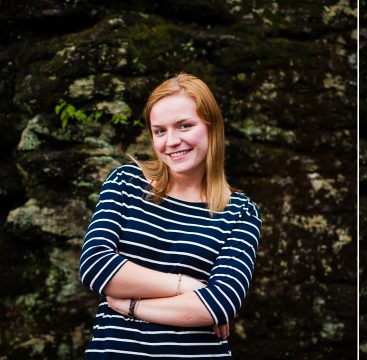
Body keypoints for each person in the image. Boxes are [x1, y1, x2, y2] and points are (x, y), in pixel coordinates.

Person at [79, 73, 261, 359]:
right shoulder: (126, 182)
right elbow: (96, 265)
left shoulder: (240, 211)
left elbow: (220, 304)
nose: (171, 141)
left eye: (184, 126)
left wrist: (129, 305)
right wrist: (186, 286)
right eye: (159, 131)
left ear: (212, 129)